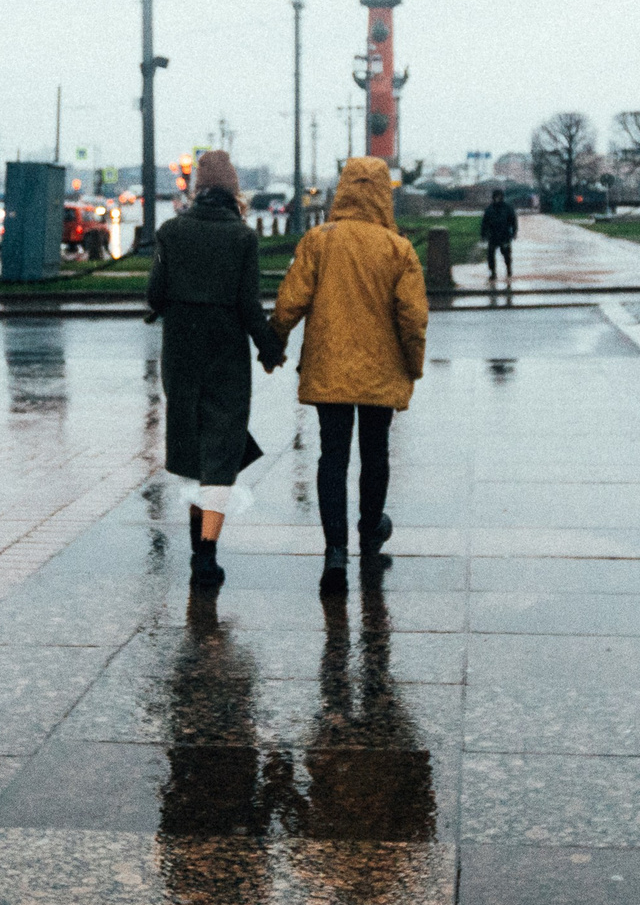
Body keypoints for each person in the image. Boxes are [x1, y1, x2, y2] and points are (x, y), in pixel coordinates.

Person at [272, 156, 429, 580]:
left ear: (342, 189)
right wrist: (412, 367)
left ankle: (335, 553)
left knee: (333, 457)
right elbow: (412, 318)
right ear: (383, 194)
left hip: (329, 368)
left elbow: (290, 301)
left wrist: (274, 345)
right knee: (375, 452)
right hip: (382, 370)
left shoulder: (319, 240)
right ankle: (370, 529)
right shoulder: (398, 248)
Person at [144, 151, 285, 590]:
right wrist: (269, 350)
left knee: (190, 449)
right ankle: (206, 555)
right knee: (221, 452)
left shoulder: (171, 232)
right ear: (234, 190)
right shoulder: (242, 238)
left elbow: (154, 296)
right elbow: (248, 306)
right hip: (226, 356)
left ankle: (196, 550)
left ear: (197, 187)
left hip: (182, 356)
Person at [479, 187, 518, 284]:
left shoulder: (507, 208)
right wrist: (483, 234)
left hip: (504, 235)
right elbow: (485, 223)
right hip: (493, 236)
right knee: (490, 255)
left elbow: (513, 221)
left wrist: (514, 233)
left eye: (499, 196)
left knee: (506, 255)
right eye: (496, 197)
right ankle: (493, 272)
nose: (497, 198)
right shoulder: (489, 209)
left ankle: (508, 269)